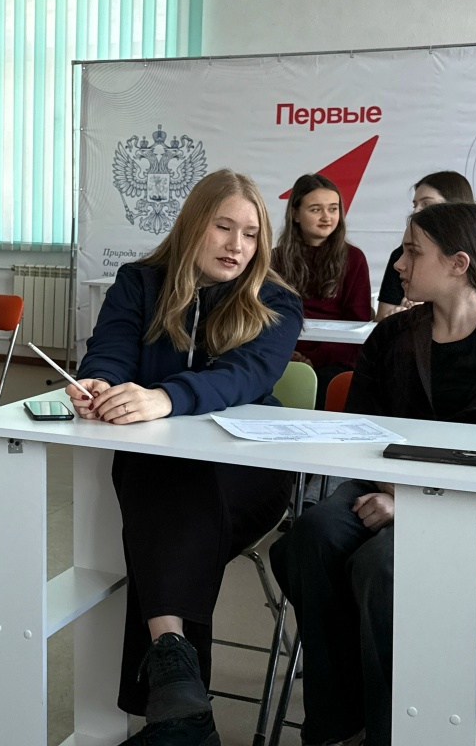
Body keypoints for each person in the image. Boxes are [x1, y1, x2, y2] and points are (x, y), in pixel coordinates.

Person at [269, 202, 476, 746]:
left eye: (412, 252)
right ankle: (338, 723)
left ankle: (391, 731)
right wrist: (396, 493)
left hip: (471, 511)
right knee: (308, 538)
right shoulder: (391, 337)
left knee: (380, 566)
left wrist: (412, 502)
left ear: (457, 263)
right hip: (379, 490)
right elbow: (360, 434)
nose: (399, 264)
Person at [64, 169, 302, 746]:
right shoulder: (140, 282)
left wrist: (165, 398)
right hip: (161, 469)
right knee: (165, 486)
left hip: (249, 470)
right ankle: (179, 696)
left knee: (165, 507)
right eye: (223, 227)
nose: (237, 246)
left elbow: (245, 376)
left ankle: (175, 703)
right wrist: (99, 383)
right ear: (193, 224)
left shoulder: (276, 301)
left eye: (251, 234)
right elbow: (111, 349)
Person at [271, 173, 371, 407]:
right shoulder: (275, 259)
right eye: (316, 209)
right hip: (284, 352)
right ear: (295, 214)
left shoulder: (354, 258)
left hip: (335, 359)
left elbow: (358, 322)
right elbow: (269, 315)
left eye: (333, 209)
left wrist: (312, 359)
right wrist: (288, 352)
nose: (327, 217)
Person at [374, 171, 474, 321]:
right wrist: (400, 317)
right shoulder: (400, 255)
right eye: (415, 205)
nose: (416, 212)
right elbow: (382, 317)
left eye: (426, 204)